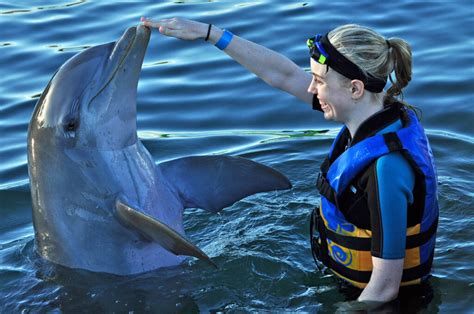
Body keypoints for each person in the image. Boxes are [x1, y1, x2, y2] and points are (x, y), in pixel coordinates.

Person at [141, 17, 439, 304]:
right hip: (346, 282)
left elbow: (385, 288)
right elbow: (283, 76)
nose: (310, 88)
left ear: (355, 88)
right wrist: (209, 33)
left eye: (319, 81)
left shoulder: (386, 168)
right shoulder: (372, 111)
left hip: (386, 304)